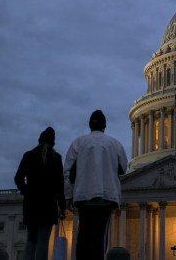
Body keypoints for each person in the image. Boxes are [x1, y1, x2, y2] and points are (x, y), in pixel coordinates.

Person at [63, 110, 128, 260]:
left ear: (90, 126)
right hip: (106, 196)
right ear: (104, 126)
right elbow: (123, 168)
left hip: (83, 196)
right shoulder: (115, 144)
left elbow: (67, 172)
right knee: (100, 236)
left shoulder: (79, 142)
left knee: (83, 236)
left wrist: (67, 196)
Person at [15, 127, 66, 260]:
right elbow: (60, 186)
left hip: (31, 204)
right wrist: (62, 207)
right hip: (48, 205)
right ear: (53, 143)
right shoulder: (56, 158)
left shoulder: (29, 155)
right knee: (43, 241)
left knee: (31, 240)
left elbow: (18, 178)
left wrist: (27, 191)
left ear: (39, 140)